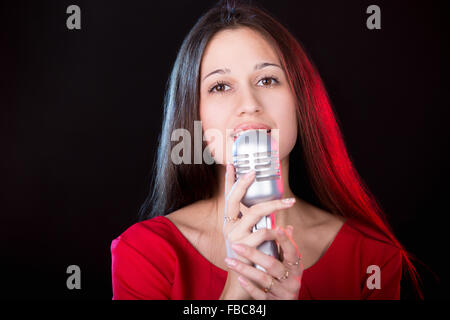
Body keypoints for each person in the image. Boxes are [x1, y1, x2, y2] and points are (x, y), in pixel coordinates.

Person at [110, 0, 422, 300]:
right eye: (220, 86)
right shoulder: (144, 252)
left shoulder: (370, 258)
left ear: (301, 102)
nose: (249, 105)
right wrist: (238, 292)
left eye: (268, 80)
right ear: (195, 116)